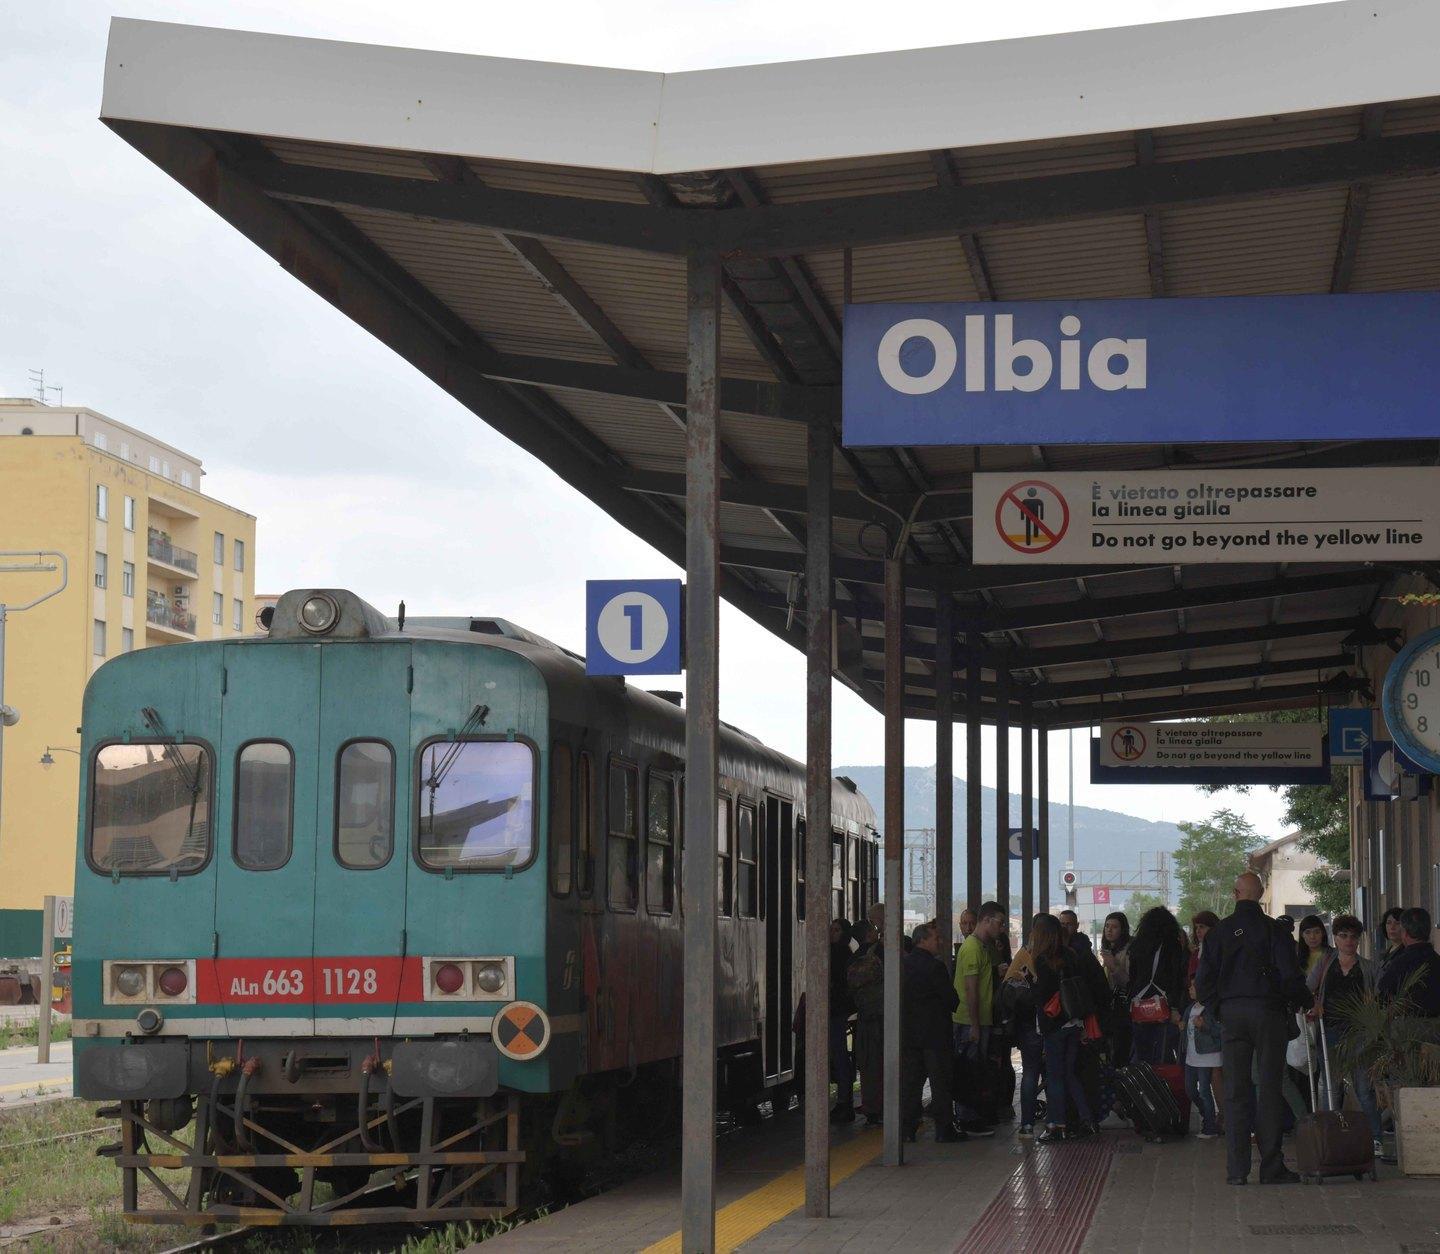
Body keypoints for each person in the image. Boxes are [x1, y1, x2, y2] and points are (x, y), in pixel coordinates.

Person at [1195, 871, 1313, 1186]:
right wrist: (1305, 999)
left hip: (1232, 1015)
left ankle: (1237, 1170)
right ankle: (1272, 1166)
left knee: (1234, 1091)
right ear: (1260, 895)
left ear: (1236, 894)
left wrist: (1218, 1007)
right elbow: (1290, 976)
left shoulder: (1218, 933)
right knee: (1269, 1089)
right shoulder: (1274, 931)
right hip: (1269, 1014)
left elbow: (1203, 981)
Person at [1306, 913, 1382, 1152]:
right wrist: (1314, 1004)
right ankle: (1329, 1136)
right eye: (1343, 936)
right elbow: (1307, 989)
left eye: (1353, 937)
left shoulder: (1369, 967)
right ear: (1336, 939)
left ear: (1359, 940)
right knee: (1330, 1086)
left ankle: (1376, 1138)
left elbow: (1380, 1000)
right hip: (1329, 1032)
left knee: (1363, 1088)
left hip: (1359, 1034)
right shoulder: (1325, 964)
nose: (1349, 941)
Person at [1031, 913, 1095, 1143]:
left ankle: (1056, 1124)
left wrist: (1029, 981)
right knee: (1069, 1073)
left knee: (1055, 1076)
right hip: (1074, 1022)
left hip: (1054, 1025)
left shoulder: (1041, 959)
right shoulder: (1071, 955)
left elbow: (1041, 995)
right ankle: (1087, 1119)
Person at [901, 921, 965, 1142]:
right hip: (935, 1036)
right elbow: (951, 1000)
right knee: (940, 1084)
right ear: (922, 940)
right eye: (936, 938)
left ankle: (907, 1129)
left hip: (910, 1035)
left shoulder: (903, 965)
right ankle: (944, 1130)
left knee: (911, 1084)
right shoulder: (935, 967)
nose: (940, 942)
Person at [953, 901, 1005, 1134]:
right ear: (987, 920)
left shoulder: (982, 947)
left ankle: (974, 1115)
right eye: (1000, 923)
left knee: (977, 1068)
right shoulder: (973, 949)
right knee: (969, 1069)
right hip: (969, 1020)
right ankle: (967, 1119)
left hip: (980, 1019)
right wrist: (975, 1024)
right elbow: (971, 989)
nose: (1001, 928)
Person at [1126, 906, 1188, 1064]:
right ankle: (1160, 1085)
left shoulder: (1137, 946)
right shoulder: (1171, 946)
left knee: (1142, 1053)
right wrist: (1174, 1006)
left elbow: (1132, 978)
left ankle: (1142, 1085)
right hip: (1163, 1007)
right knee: (1162, 1054)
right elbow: (1176, 978)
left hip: (1139, 1006)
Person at [1003, 929, 1043, 1138]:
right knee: (1052, 1074)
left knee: (1029, 1073)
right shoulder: (1047, 959)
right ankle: (1056, 1121)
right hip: (1044, 1024)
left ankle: (1027, 1125)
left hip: (1025, 1025)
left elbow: (1007, 988)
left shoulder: (1022, 956)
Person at [848, 921, 884, 1125]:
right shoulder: (879, 954)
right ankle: (880, 1106)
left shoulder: (853, 957)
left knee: (869, 1066)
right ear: (869, 934)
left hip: (865, 1018)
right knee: (881, 1064)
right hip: (880, 1018)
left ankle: (871, 1106)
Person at [1376, 906, 1440, 1015]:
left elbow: (1383, 992)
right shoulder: (1436, 959)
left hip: (1409, 1027)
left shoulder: (1401, 962)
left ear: (1404, 933)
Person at [1184, 978, 1222, 1139]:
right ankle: (1208, 1115)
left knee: (1204, 1090)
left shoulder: (1212, 1009)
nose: (1190, 989)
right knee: (1191, 1090)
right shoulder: (1190, 1008)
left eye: (1194, 986)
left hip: (1206, 1057)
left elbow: (1220, 1031)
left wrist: (1204, 1026)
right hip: (1191, 1057)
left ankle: (1210, 1126)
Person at [829, 919, 857, 1123]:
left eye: (836, 929)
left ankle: (843, 1102)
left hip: (836, 1012)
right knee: (839, 1056)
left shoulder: (838, 954)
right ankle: (843, 1100)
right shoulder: (848, 953)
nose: (832, 932)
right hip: (840, 1011)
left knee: (838, 1055)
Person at [1100, 911, 1133, 1065]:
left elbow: (1128, 982)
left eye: (1114, 927)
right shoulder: (1108, 950)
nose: (1109, 930)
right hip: (1110, 1009)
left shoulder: (1127, 951)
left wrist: (1113, 966)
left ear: (1123, 930)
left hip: (1123, 1010)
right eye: (1107, 926)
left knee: (1121, 1050)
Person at [1377, 906, 1406, 977]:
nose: (1392, 927)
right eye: (1388, 923)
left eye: (1397, 923)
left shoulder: (1406, 951)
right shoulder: (1388, 951)